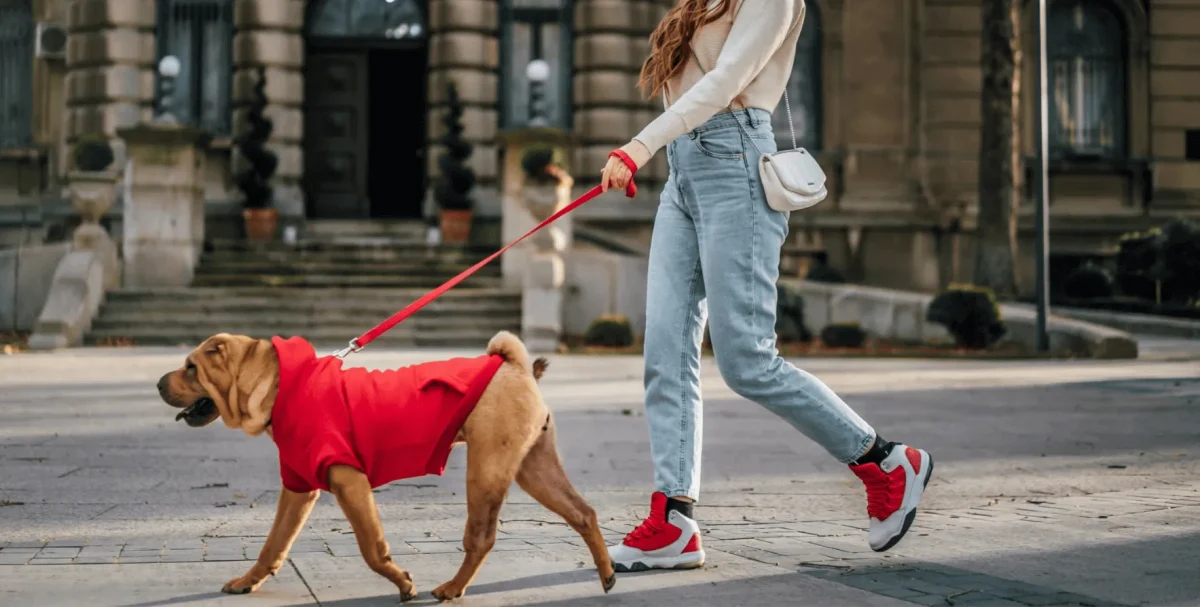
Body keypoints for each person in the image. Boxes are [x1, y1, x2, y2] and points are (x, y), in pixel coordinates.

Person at [598, 0, 934, 572]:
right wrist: (663, 149)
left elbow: (731, 77)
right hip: (685, 175)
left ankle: (884, 462)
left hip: (734, 164)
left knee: (747, 359)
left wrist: (638, 145)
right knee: (665, 351)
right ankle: (675, 518)